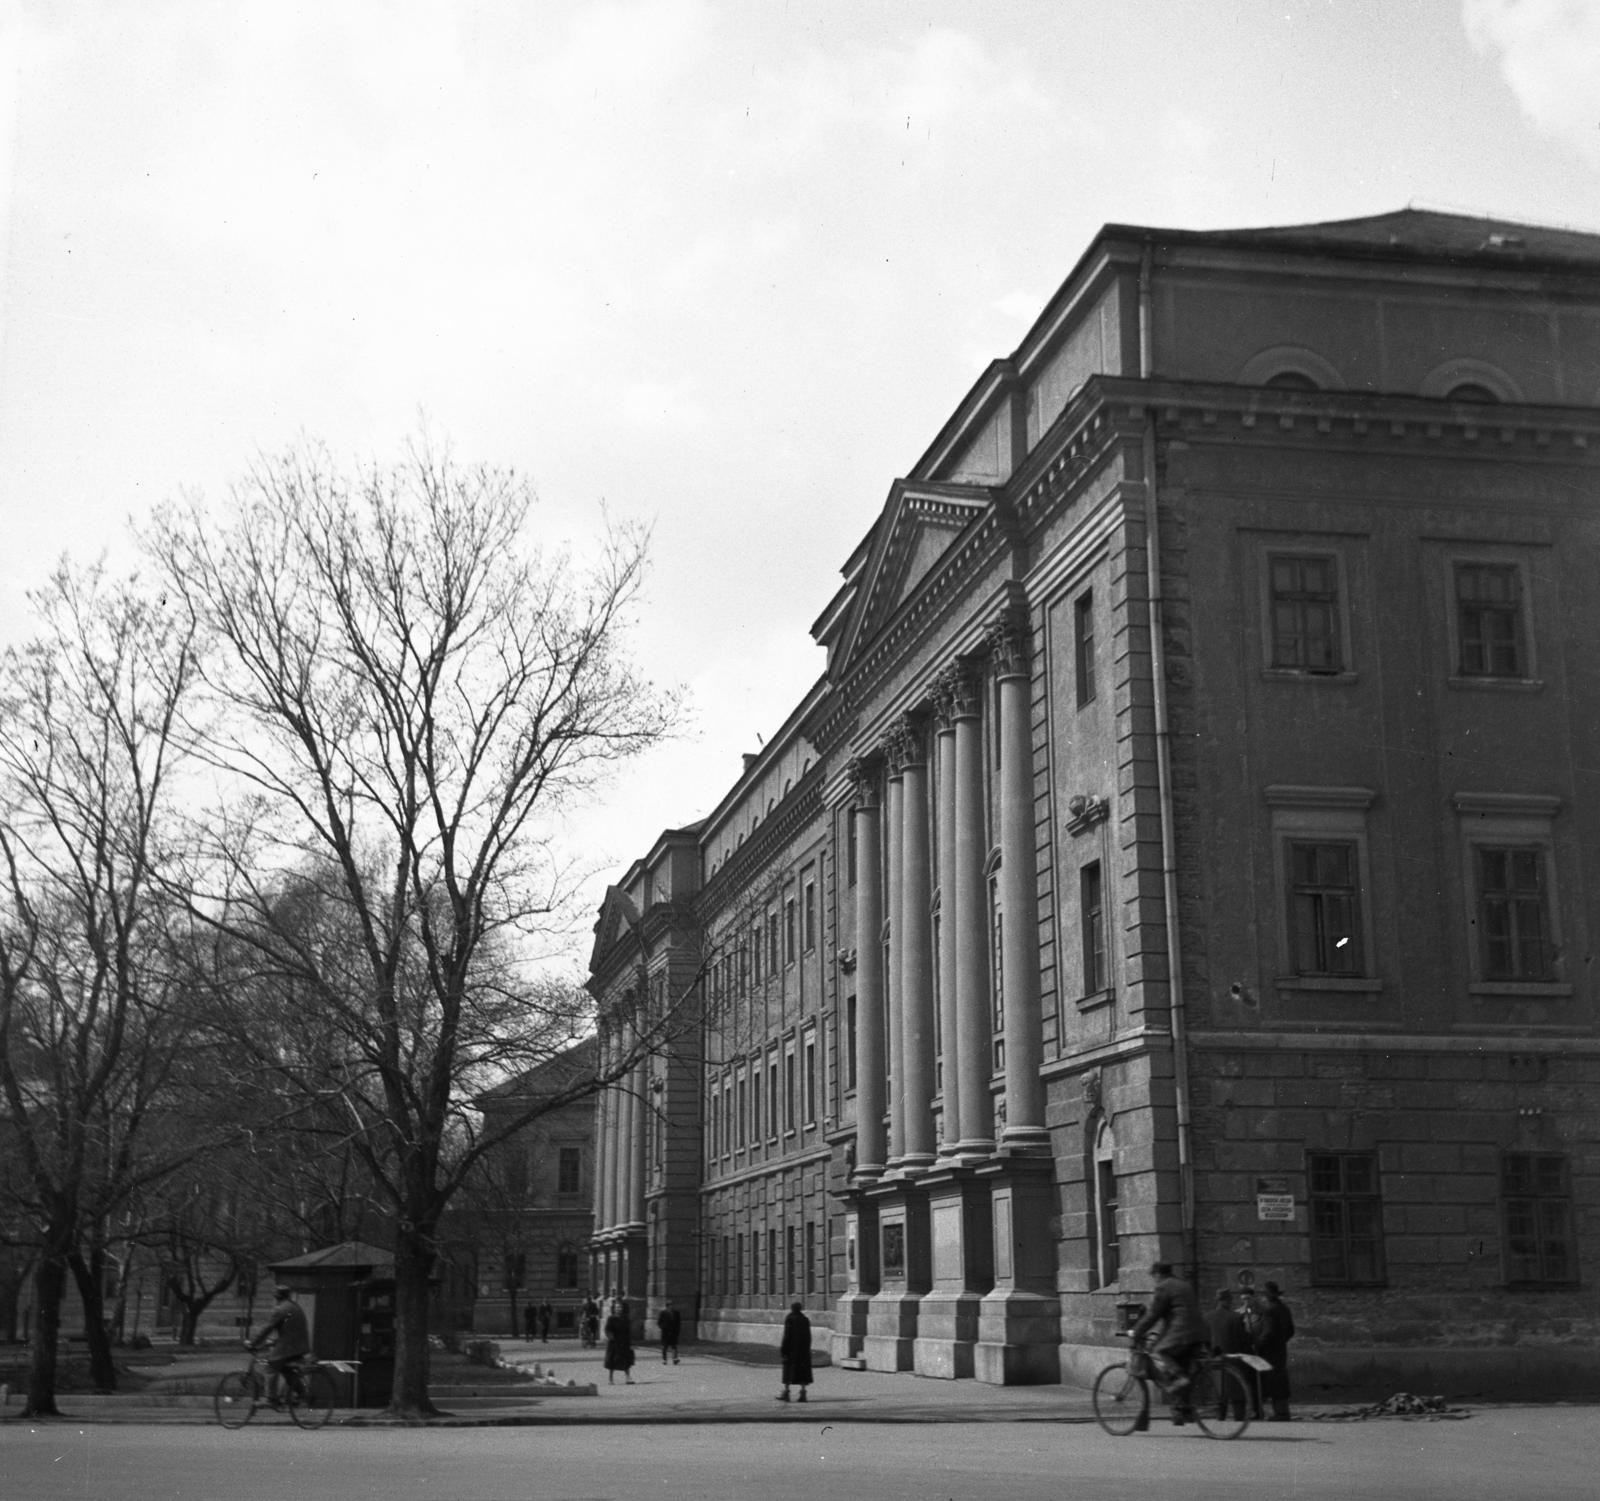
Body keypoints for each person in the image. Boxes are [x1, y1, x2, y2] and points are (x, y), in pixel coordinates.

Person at [1129, 1262, 1209, 1422]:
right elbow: (1174, 1313)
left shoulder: (1164, 1287)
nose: (1154, 1280)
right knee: (1181, 1368)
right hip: (1198, 1333)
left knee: (1159, 1352)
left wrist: (1137, 1332)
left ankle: (1180, 1379)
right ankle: (1182, 1410)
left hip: (1182, 1332)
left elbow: (1153, 1314)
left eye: (1154, 1276)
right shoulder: (1184, 1285)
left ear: (1158, 1274)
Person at [248, 1285, 311, 1408]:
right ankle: (301, 1393)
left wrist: (253, 1343)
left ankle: (270, 1399)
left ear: (278, 1297)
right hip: (300, 1346)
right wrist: (273, 1341)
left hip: (289, 1347)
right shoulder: (295, 1306)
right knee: (285, 1369)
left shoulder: (280, 1309)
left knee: (271, 1366)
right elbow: (289, 1329)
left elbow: (268, 1328)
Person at [1205, 1287, 1256, 1422]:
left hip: (1215, 1360)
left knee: (1219, 1394)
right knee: (1237, 1395)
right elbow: (1245, 1340)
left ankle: (1220, 1418)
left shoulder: (1207, 1317)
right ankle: (1238, 1419)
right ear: (1228, 1300)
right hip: (1234, 1361)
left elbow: (1205, 1340)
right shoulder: (1236, 1317)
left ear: (1217, 1300)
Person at [1255, 1280, 1296, 1421]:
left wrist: (1258, 1345)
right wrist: (1281, 1340)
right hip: (1280, 1349)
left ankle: (1280, 1413)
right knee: (1280, 1380)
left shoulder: (1270, 1311)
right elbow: (1291, 1331)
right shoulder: (1284, 1309)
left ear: (1268, 1295)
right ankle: (1283, 1412)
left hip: (1270, 1351)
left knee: (1273, 1382)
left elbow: (1268, 1332)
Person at [777, 1300, 813, 1403]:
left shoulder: (790, 1318)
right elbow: (808, 1336)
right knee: (802, 1372)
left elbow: (787, 1335)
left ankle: (786, 1392)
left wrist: (783, 1349)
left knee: (788, 1371)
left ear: (792, 1309)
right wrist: (807, 1348)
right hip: (803, 1351)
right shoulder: (805, 1319)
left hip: (791, 1350)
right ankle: (803, 1393)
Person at [603, 1297, 636, 1385]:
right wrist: (611, 1337)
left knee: (626, 1361)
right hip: (614, 1342)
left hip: (624, 1342)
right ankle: (610, 1379)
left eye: (620, 1307)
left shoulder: (626, 1319)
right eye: (617, 1307)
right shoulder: (611, 1318)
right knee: (612, 1361)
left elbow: (628, 1331)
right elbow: (607, 1329)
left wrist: (630, 1342)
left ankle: (628, 1377)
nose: (619, 1309)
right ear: (614, 1308)